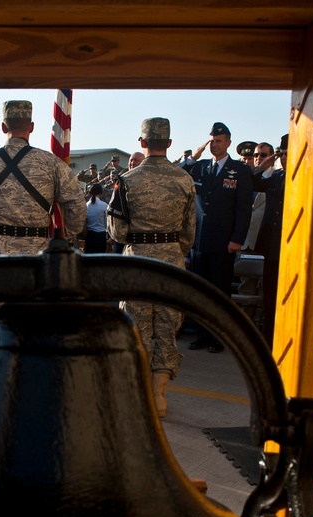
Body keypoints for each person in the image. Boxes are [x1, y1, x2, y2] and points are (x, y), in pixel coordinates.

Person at [108, 117, 196, 418]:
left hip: (137, 259)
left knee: (136, 326)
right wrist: (172, 248)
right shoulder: (185, 179)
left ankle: (138, 390)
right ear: (168, 144)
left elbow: (117, 233)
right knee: (168, 327)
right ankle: (159, 393)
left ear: (142, 143)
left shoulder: (127, 180)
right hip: (171, 258)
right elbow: (189, 232)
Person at [0, 100, 85, 274]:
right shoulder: (51, 163)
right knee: (33, 301)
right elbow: (76, 205)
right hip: (37, 253)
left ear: (3, 127)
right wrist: (66, 236)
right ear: (31, 127)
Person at [183, 121, 253, 353]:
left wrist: (237, 238)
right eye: (212, 141)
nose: (215, 145)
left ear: (229, 143)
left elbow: (244, 208)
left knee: (220, 293)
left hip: (224, 242)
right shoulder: (201, 167)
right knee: (201, 292)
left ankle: (219, 338)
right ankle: (203, 334)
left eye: (219, 141)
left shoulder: (239, 170)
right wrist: (194, 155)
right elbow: (180, 171)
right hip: (200, 240)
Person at [250, 135, 288, 347]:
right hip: (272, 245)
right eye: (281, 154)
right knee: (270, 296)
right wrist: (265, 163)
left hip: (290, 246)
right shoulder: (275, 176)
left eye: (287, 154)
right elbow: (253, 181)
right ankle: (270, 338)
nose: (283, 159)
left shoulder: (305, 177)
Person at [83, 183, 108, 253]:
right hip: (101, 236)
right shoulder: (104, 205)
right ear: (100, 193)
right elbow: (107, 224)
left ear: (90, 193)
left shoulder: (86, 205)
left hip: (89, 236)